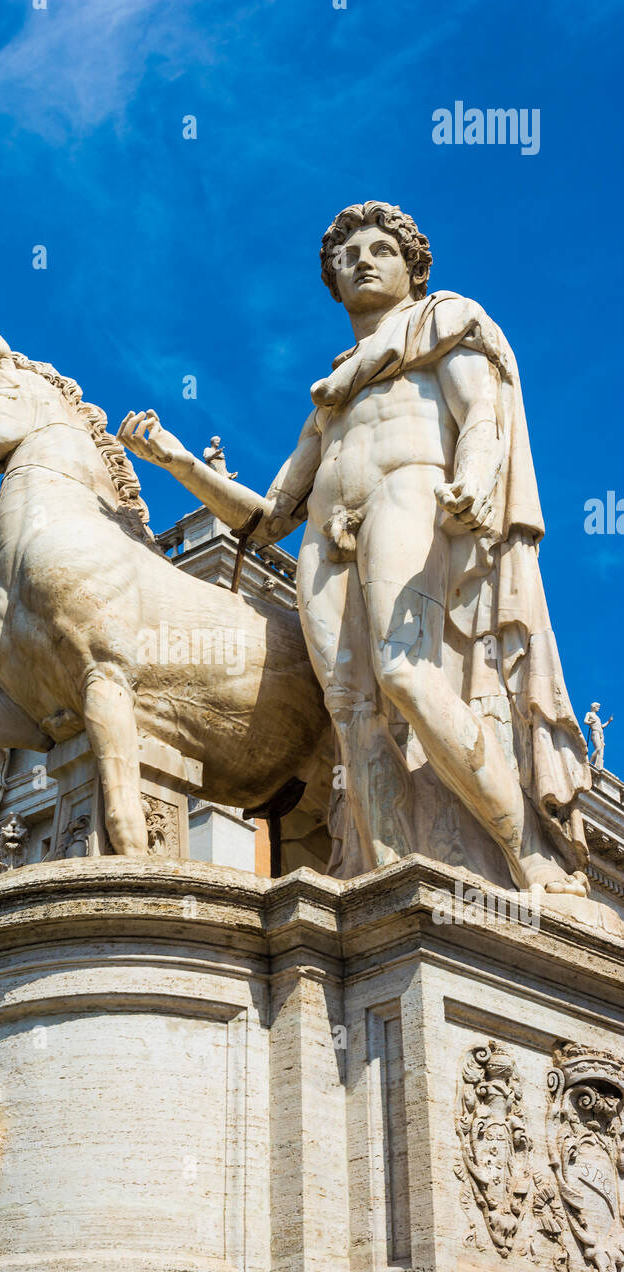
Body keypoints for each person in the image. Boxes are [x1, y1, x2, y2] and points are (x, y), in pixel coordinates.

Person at [118, 201, 591, 896]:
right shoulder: (329, 400)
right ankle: (391, 882)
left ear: (414, 268)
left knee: (405, 673)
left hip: (412, 494)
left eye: (380, 250)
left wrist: (477, 476)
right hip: (325, 535)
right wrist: (182, 464)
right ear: (333, 284)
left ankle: (534, 862)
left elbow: (482, 415)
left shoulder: (441, 322)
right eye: (347, 256)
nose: (363, 261)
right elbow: (271, 515)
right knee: (351, 716)